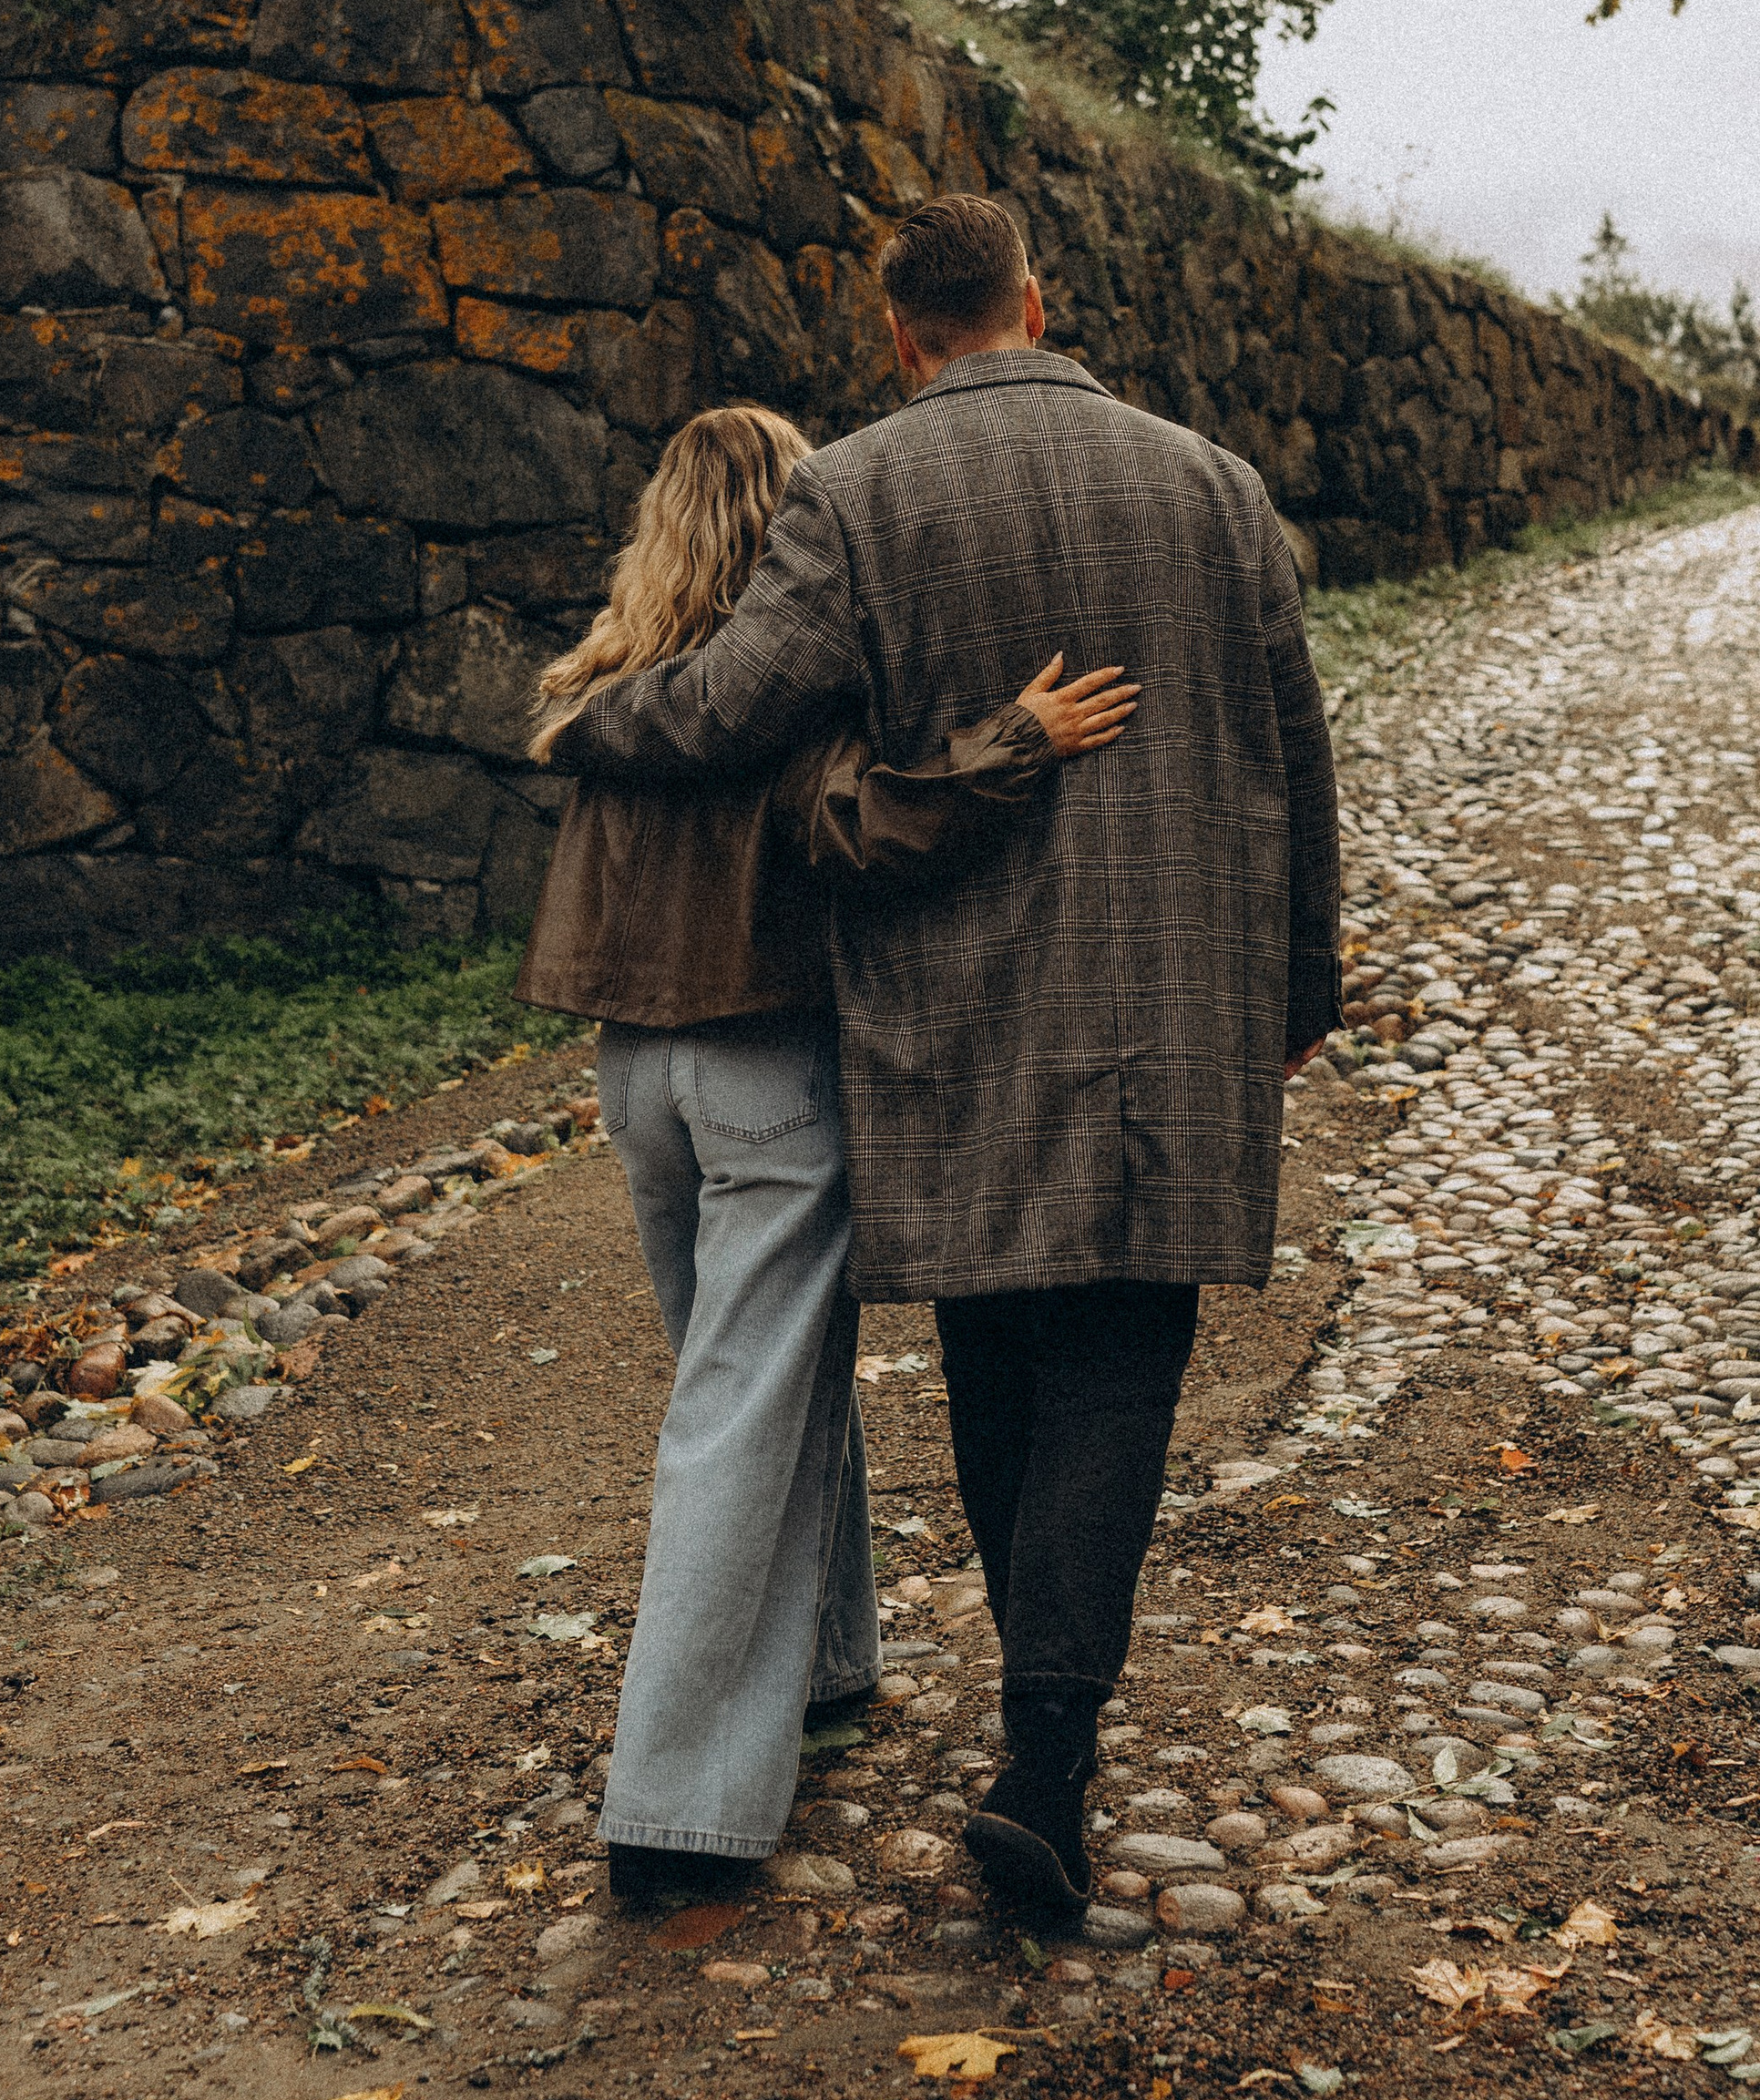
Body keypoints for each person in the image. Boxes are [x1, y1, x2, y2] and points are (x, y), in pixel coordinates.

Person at [543, 199, 1342, 1919]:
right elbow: (1294, 742)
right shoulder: (1213, 482)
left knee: (998, 1352)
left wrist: (586, 714)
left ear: (900, 333)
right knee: (1128, 1362)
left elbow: (731, 708)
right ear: (1038, 302)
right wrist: (1302, 972)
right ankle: (1046, 1750)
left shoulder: (856, 488)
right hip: (1178, 1003)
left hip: (964, 1011)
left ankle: (1025, 1721)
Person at [514, 400, 1137, 1913]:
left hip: (633, 1075)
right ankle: (677, 1806)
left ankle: (832, 1653)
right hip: (763, 1070)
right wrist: (1017, 743)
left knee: (750, 1379)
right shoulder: (779, 686)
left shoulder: (612, 682)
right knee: (743, 1409)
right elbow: (864, 829)